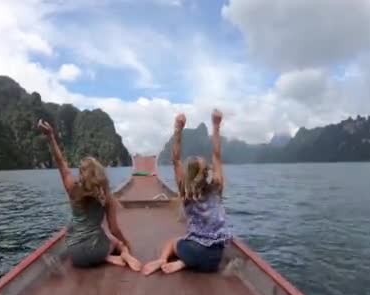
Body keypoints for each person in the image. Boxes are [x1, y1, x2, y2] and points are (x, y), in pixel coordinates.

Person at [38, 119, 142, 271]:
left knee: (97, 236)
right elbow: (114, 229)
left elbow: (61, 163)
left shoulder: (72, 189)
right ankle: (122, 255)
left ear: (81, 174)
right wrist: (126, 244)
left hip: (75, 255)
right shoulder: (106, 197)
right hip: (97, 250)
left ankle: (107, 258)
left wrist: (50, 136)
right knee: (114, 240)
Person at [142, 109, 232, 275]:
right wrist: (216, 126)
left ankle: (164, 260)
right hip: (214, 259)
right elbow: (217, 156)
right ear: (207, 174)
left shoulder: (185, 192)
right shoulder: (216, 188)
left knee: (171, 242)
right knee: (201, 250)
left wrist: (178, 128)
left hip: (192, 251)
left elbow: (175, 159)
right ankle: (185, 263)